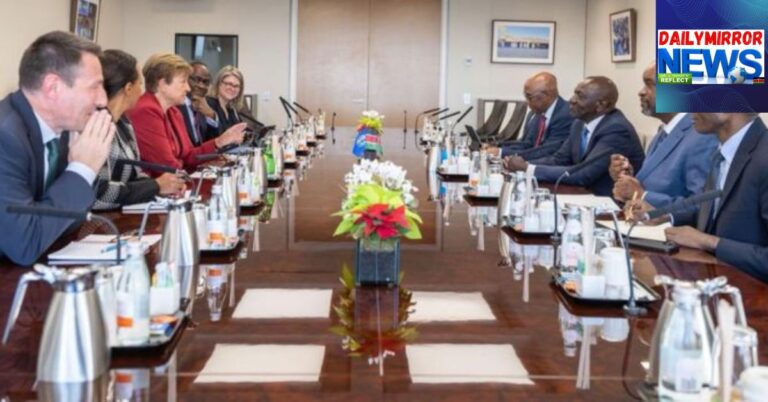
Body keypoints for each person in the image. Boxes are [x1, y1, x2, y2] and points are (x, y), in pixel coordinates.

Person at [0, 31, 115, 265]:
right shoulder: (5, 136)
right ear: (53, 87)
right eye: (95, 87)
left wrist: (80, 170)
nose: (103, 100)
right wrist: (82, 169)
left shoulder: (63, 130)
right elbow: (24, 244)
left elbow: (70, 222)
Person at [629, 113, 768, 283]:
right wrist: (667, 216)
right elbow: (721, 214)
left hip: (749, 299)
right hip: (714, 286)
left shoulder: (763, 157)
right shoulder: (725, 151)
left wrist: (708, 242)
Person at [504, 76, 645, 196]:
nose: (572, 100)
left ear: (601, 105)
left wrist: (528, 169)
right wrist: (525, 164)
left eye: (580, 96)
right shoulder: (579, 123)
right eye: (574, 94)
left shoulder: (616, 129)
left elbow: (584, 174)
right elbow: (559, 159)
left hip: (609, 202)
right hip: (581, 194)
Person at [609, 62, 717, 207]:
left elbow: (702, 205)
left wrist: (642, 195)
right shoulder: (664, 130)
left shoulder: (702, 136)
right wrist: (626, 179)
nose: (641, 92)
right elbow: (654, 186)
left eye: (649, 84)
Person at [93, 49, 187, 210]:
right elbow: (98, 194)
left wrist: (162, 186)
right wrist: (155, 186)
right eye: (140, 84)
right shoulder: (95, 127)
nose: (142, 91)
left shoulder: (124, 122)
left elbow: (135, 174)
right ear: (128, 88)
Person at [127, 53, 246, 174]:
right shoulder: (146, 110)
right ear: (162, 83)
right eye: (183, 82)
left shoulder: (174, 112)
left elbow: (189, 155)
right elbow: (166, 166)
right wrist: (196, 166)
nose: (188, 88)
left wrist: (219, 141)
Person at [486, 72, 574, 160]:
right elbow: (527, 144)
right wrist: (498, 148)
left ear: (547, 95)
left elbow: (547, 151)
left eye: (529, 97)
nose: (527, 102)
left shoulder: (565, 115)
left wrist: (502, 153)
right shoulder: (537, 113)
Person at [178, 61, 220, 145]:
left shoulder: (205, 104)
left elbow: (212, 142)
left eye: (206, 82)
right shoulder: (176, 105)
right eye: (196, 79)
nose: (201, 86)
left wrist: (211, 115)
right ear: (185, 79)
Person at [206, 65, 248, 133]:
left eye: (236, 86)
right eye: (228, 84)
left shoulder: (231, 109)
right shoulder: (209, 105)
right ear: (219, 83)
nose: (232, 88)